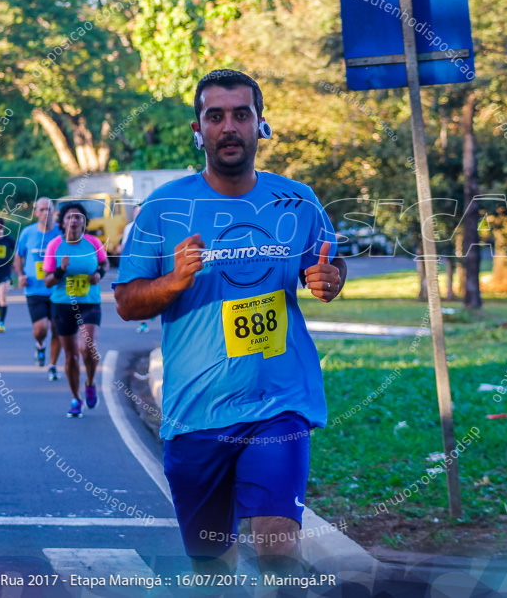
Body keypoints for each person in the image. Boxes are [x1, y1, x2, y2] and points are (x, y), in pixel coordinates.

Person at [114, 69, 346, 577]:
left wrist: (331, 278)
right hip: (196, 411)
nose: (229, 126)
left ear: (261, 124)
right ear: (198, 130)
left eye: (241, 114)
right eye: (214, 116)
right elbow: (128, 302)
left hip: (277, 404)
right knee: (211, 569)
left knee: (278, 549)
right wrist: (172, 283)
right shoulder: (163, 208)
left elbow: (327, 266)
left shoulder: (298, 200)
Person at [43, 202, 108, 417]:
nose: (74, 220)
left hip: (89, 303)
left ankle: (90, 382)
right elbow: (48, 282)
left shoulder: (94, 242)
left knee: (87, 348)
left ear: (84, 223)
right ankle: (75, 398)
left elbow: (104, 264)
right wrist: (61, 270)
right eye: (69, 217)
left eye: (78, 217)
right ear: (62, 222)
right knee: (70, 356)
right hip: (62, 305)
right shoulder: (54, 245)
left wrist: (99, 274)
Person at [14, 197, 63, 380]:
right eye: (42, 210)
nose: (46, 213)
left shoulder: (61, 232)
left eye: (49, 209)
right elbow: (18, 256)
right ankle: (40, 344)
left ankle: (53, 365)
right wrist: (20, 275)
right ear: (36, 213)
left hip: (57, 289)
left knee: (57, 328)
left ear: (54, 212)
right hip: (34, 289)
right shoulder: (28, 233)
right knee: (41, 329)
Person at [120, 204, 149, 333]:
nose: (138, 215)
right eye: (136, 213)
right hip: (133, 264)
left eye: (140, 212)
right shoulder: (129, 228)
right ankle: (142, 321)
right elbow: (124, 245)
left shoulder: (150, 227)